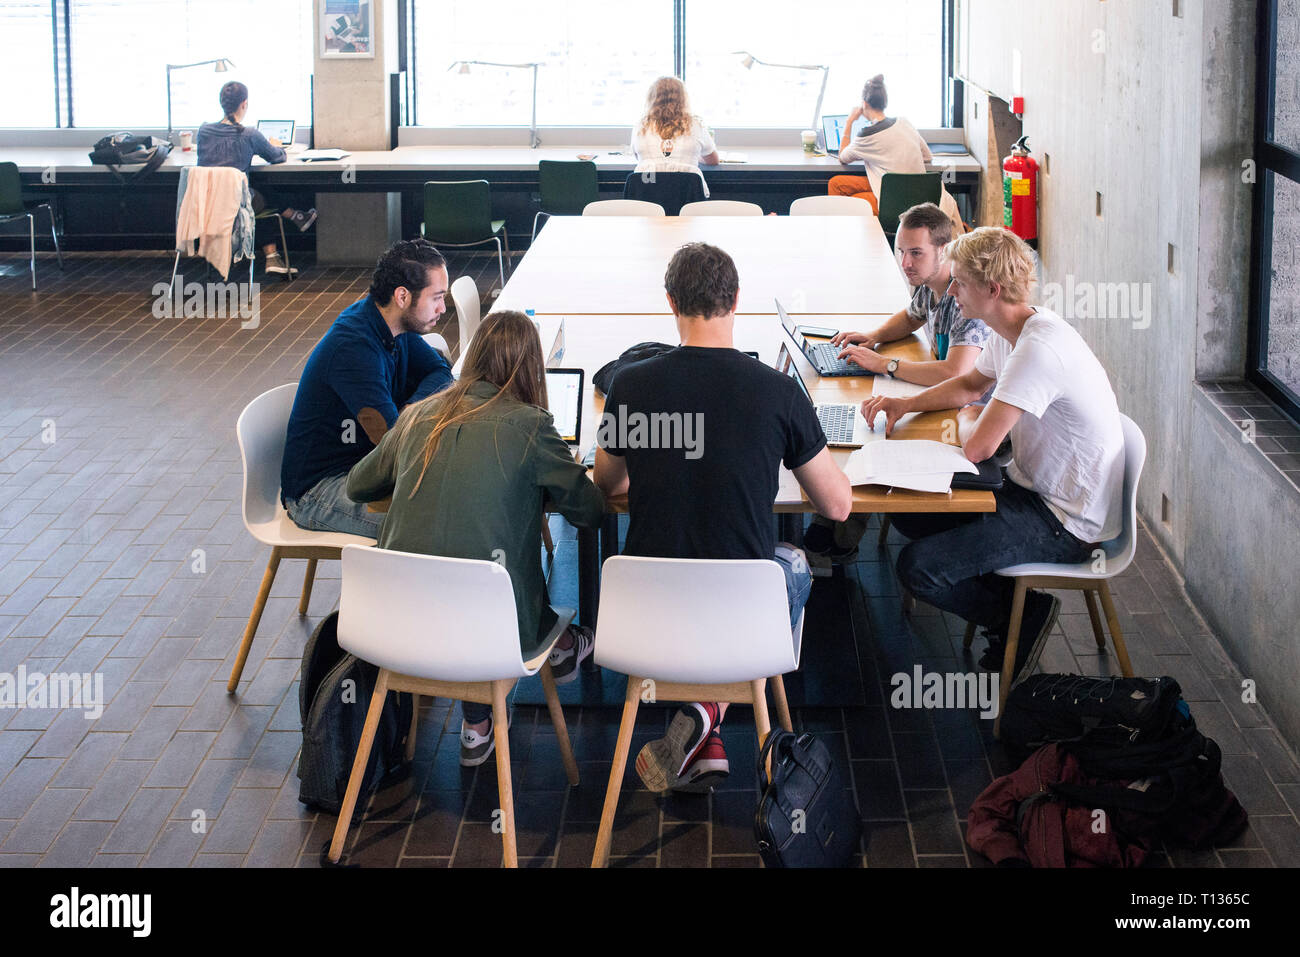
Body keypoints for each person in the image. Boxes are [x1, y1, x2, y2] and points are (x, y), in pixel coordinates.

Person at [594, 242, 853, 793]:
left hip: (647, 617)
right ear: (737, 299)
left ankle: (703, 722)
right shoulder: (779, 392)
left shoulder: (630, 385)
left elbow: (607, 485)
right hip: (741, 621)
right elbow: (837, 507)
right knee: (796, 561)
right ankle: (713, 704)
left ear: (670, 302)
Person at [860, 227, 1125, 684]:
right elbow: (968, 386)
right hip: (1031, 489)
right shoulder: (1010, 330)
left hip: (1066, 521)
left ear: (992, 290)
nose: (951, 290)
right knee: (910, 516)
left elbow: (979, 445)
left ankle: (1020, 616)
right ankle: (1008, 598)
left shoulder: (1037, 349)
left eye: (960, 282)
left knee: (918, 568)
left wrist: (966, 420)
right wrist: (904, 405)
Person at [347, 310, 605, 766]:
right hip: (495, 637)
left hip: (399, 628)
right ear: (532, 368)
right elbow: (590, 513)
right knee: (489, 581)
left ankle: (478, 724)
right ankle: (565, 647)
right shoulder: (531, 426)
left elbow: (358, 486)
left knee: (458, 564)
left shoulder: (417, 415)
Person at [803, 202, 992, 569]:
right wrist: (872, 337)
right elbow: (910, 317)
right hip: (948, 407)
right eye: (901, 251)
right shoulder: (930, 284)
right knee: (870, 425)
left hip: (965, 422)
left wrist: (887, 364)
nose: (905, 263)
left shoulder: (963, 293)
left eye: (916, 253)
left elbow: (957, 371)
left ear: (945, 251)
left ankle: (840, 530)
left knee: (875, 436)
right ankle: (833, 524)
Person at [280, 239, 454, 539]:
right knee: (439, 523)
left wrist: (409, 412)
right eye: (436, 297)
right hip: (320, 490)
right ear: (402, 296)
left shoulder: (393, 324)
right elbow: (393, 443)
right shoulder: (354, 348)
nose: (442, 307)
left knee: (456, 503)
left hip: (365, 466)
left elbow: (440, 372)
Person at [197, 81, 317, 275]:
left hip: (206, 203)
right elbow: (278, 157)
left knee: (252, 187)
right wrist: (275, 144)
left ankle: (294, 220)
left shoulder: (204, 131)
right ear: (244, 104)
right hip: (236, 204)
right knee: (256, 197)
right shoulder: (249, 134)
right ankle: (287, 229)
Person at [828, 74, 964, 233]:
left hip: (893, 204)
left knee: (847, 201)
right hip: (917, 194)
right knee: (837, 183)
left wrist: (850, 121)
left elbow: (843, 156)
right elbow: (927, 156)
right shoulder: (904, 122)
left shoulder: (866, 136)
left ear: (864, 104)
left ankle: (848, 236)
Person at [631, 76, 720, 198]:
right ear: (683, 98)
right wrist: (694, 156)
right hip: (687, 201)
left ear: (652, 98)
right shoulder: (695, 125)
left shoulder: (641, 126)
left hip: (647, 199)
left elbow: (639, 157)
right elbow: (713, 160)